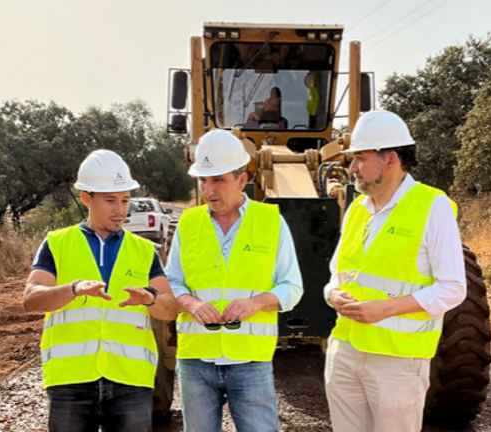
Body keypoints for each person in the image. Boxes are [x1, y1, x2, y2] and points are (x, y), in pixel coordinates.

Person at [323, 111, 467, 432]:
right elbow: (335, 275)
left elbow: (453, 288)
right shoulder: (358, 210)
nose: (352, 168)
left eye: (360, 157)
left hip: (397, 362)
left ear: (390, 159)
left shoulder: (433, 206)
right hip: (345, 351)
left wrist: (386, 309)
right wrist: (333, 294)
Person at [24, 149, 177, 432]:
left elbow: (170, 308)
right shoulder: (57, 243)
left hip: (130, 382)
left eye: (125, 200)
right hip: (70, 382)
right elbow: (31, 299)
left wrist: (150, 299)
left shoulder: (144, 251)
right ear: (86, 198)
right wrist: (72, 289)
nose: (120, 210)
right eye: (110, 201)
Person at [166, 129, 303, 432]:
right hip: (196, 361)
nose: (209, 189)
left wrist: (256, 303)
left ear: (242, 180)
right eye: (203, 179)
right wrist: (191, 303)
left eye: (218, 180)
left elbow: (292, 287)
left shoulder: (270, 222)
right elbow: (172, 280)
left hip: (250, 360)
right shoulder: (188, 224)